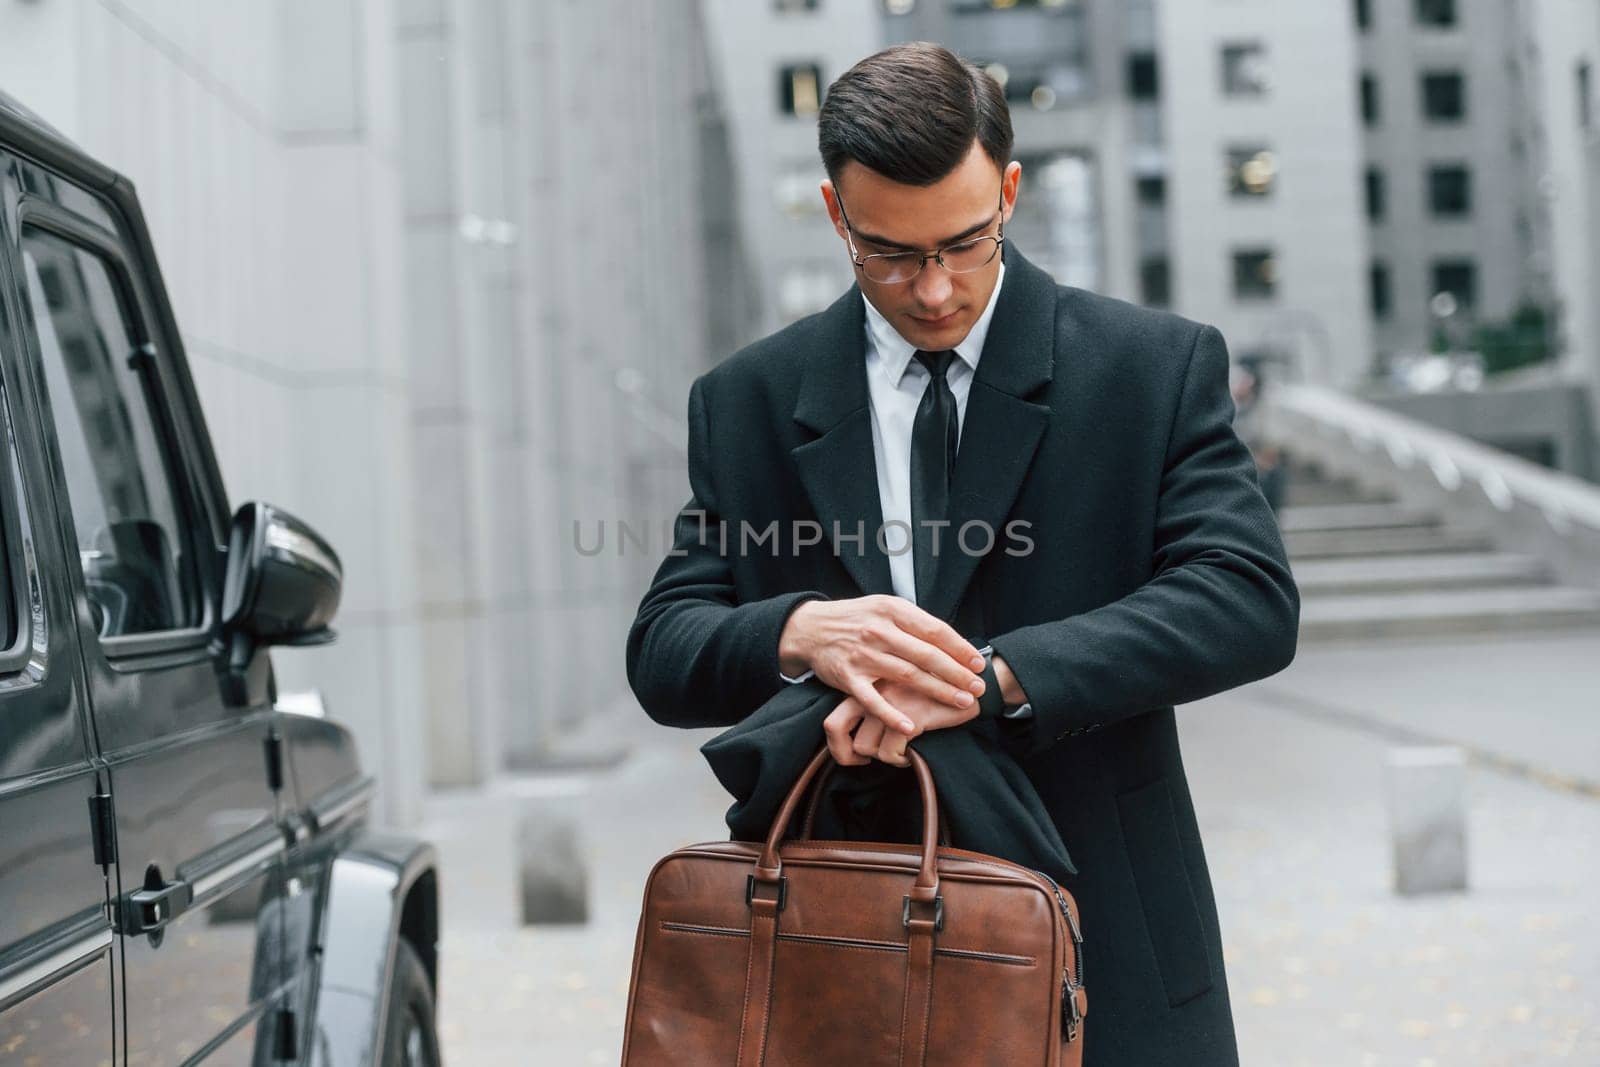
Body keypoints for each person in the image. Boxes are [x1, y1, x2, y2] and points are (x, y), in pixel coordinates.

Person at [625, 41, 1299, 1066]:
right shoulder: (748, 399)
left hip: (1106, 935)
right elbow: (664, 647)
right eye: (890, 253)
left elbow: (1245, 597)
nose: (934, 289)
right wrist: (805, 632)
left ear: (1011, 191)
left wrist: (993, 678)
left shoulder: (1149, 368)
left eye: (964, 242)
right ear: (836, 213)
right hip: (836, 952)